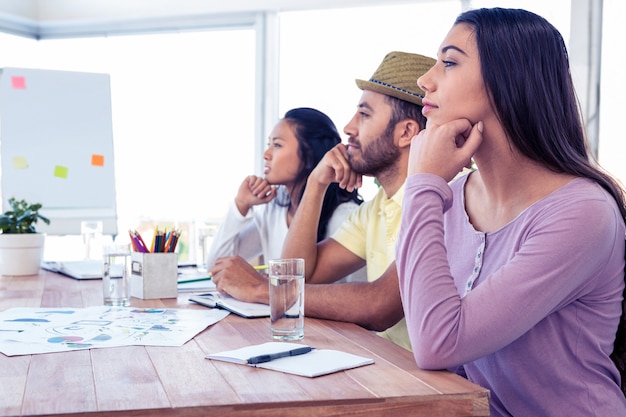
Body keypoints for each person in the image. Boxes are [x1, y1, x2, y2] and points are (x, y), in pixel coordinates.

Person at [396, 7, 626, 417]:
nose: (424, 80)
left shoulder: (583, 213)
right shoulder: (450, 197)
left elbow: (437, 343)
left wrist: (422, 184)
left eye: (448, 63)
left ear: (508, 80)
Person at [212, 52, 436, 351]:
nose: (348, 127)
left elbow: (380, 306)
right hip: (389, 367)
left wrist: (259, 289)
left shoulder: (440, 199)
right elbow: (305, 275)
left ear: (406, 132)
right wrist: (316, 184)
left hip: (429, 382)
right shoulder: (376, 208)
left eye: (364, 115)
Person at [207, 107, 366, 285]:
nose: (266, 155)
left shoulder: (346, 217)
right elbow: (216, 267)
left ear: (309, 155)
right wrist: (240, 205)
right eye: (269, 145)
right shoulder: (273, 210)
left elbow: (360, 292)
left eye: (277, 145)